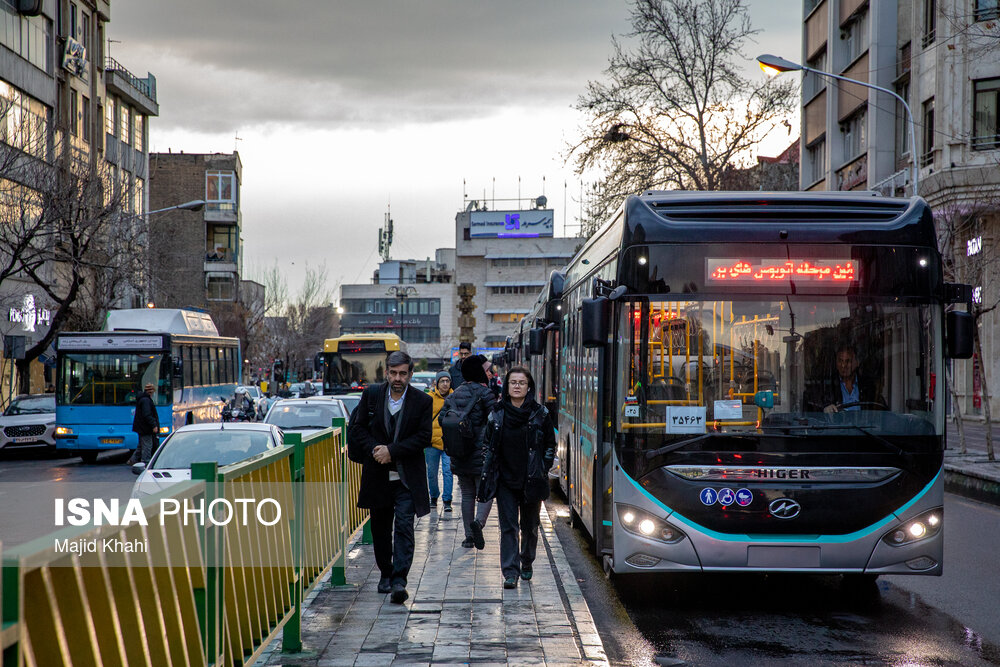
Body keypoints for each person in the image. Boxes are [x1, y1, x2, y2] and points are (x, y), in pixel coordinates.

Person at [347, 350, 432, 604]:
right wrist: (376, 449)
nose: (397, 378)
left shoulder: (421, 401)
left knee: (404, 527)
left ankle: (399, 580)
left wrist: (391, 451)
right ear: (386, 372)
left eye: (403, 373)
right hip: (378, 475)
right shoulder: (372, 396)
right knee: (381, 528)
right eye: (393, 373)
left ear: (410, 374)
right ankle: (385, 572)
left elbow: (423, 437)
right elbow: (358, 428)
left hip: (407, 478)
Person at [477, 366, 555, 589]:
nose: (517, 386)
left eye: (521, 382)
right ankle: (510, 572)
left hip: (532, 480)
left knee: (529, 526)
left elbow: (550, 444)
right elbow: (487, 444)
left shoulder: (540, 414)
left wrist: (543, 467)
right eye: (513, 382)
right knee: (508, 527)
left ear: (528, 386)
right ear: (507, 386)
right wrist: (491, 467)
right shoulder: (497, 413)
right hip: (505, 481)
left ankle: (527, 560)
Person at [441, 354, 496, 548]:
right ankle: (478, 524)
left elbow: (443, 419)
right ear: (479, 371)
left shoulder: (454, 394)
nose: (490, 373)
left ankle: (468, 536)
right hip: (481, 453)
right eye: (487, 370)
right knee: (486, 491)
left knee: (466, 494)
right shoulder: (486, 394)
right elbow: (495, 421)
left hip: (459, 452)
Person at [811, 343, 883, 413]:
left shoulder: (867, 386)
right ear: (836, 363)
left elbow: (877, 409)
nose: (843, 365)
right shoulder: (828, 384)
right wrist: (825, 408)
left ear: (857, 362)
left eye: (848, 361)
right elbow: (817, 407)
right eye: (840, 361)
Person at [426, 371, 454, 512]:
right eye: (442, 381)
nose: (444, 384)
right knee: (431, 472)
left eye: (447, 381)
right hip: (432, 443)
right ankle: (434, 497)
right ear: (437, 383)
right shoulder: (429, 398)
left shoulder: (455, 397)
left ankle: (447, 500)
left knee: (448, 471)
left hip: (449, 442)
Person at [129, 383, 159, 465]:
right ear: (151, 392)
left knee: (141, 445)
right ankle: (145, 462)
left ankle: (133, 460)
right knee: (147, 446)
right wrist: (154, 425)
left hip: (142, 427)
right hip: (145, 428)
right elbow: (147, 414)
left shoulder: (143, 399)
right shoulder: (146, 400)